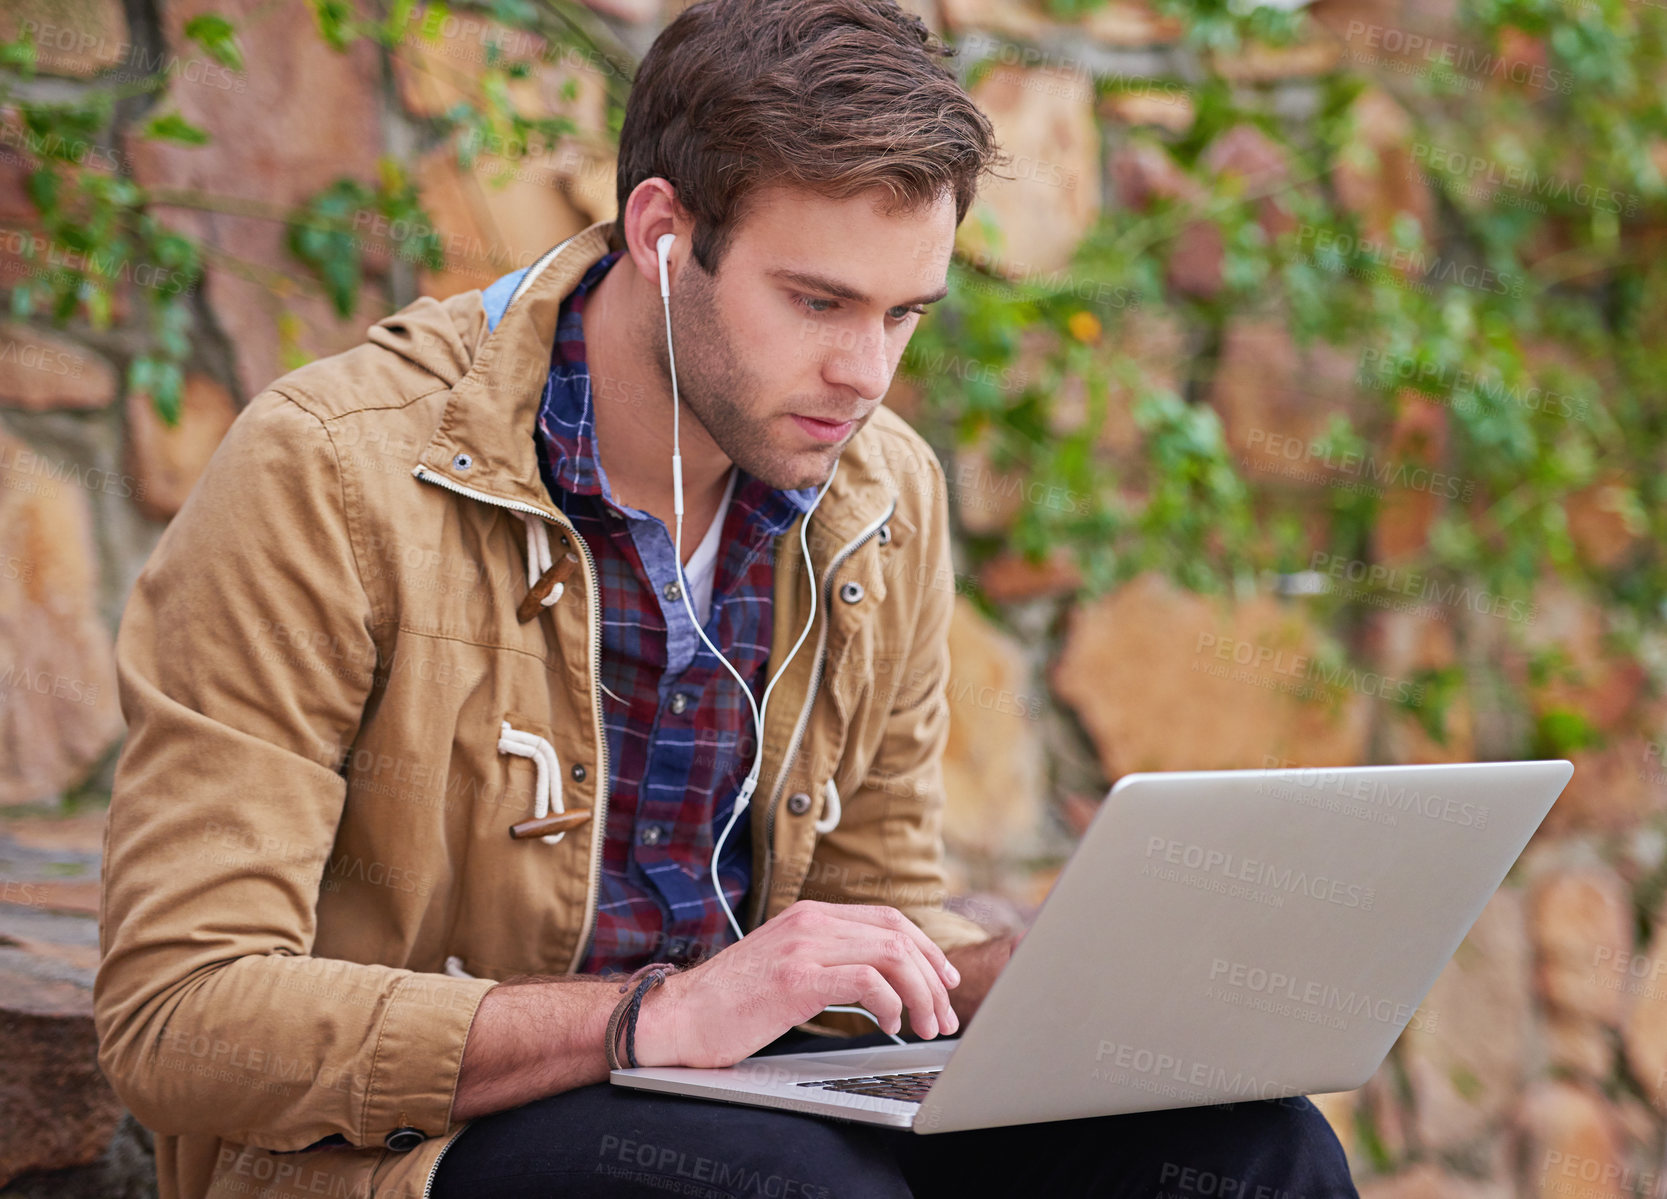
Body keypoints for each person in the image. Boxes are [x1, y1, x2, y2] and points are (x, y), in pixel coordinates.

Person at [93, 0, 1359, 1195]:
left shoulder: (878, 496)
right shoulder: (330, 473)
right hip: (420, 1144)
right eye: (815, 302)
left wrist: (992, 985)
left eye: (904, 313)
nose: (863, 373)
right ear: (661, 235)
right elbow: (180, 1013)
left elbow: (873, 911)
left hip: (767, 1112)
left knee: (1250, 1148)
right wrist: (654, 1015)